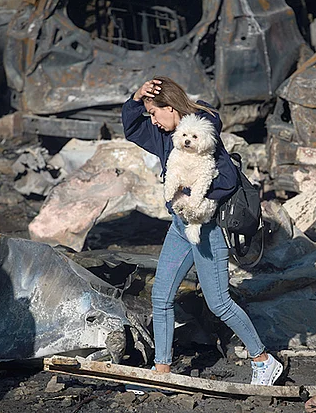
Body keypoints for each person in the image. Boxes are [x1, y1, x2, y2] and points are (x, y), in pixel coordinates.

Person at [121, 76, 283, 386]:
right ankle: (163, 370)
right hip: (181, 228)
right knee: (161, 296)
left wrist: (196, 201)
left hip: (208, 228)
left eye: (154, 113)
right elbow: (131, 128)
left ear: (171, 108)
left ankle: (263, 360)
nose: (152, 121)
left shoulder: (203, 135)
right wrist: (137, 97)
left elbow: (227, 180)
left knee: (218, 301)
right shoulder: (163, 136)